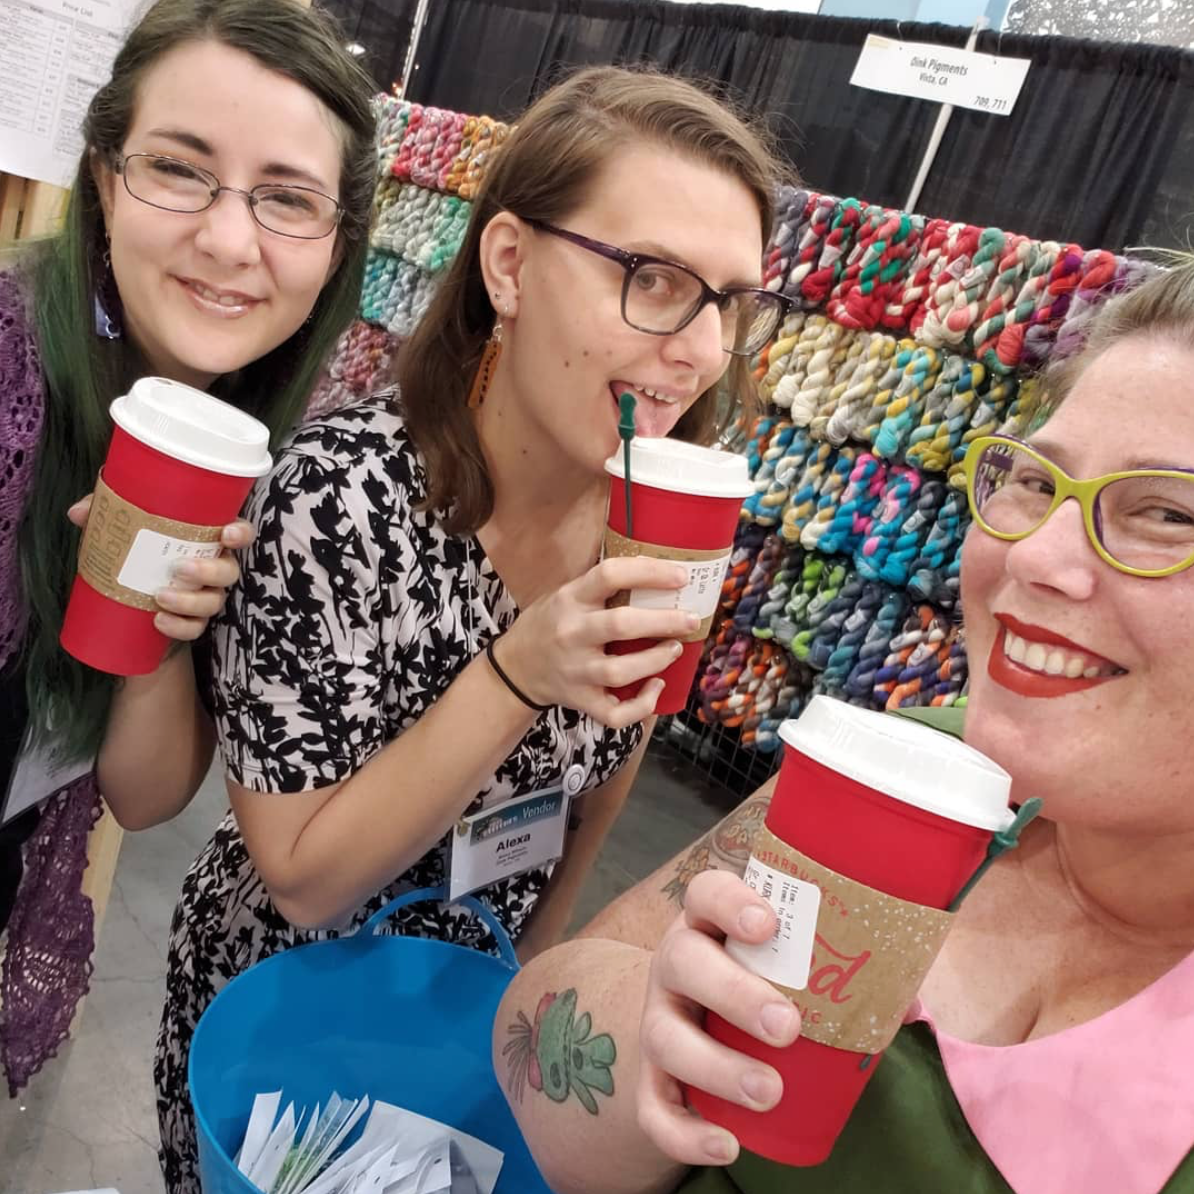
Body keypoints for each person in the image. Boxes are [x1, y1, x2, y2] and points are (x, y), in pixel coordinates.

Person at [154, 64, 793, 1193]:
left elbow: (609, 768)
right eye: (652, 278)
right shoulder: (341, 501)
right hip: (288, 1028)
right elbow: (301, 879)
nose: (700, 348)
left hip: (469, 1022)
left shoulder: (650, 518)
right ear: (510, 264)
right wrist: (517, 671)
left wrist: (533, 981)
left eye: (730, 301)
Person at [493, 260, 1194, 1194]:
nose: (1035, 555)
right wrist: (650, 1034)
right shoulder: (912, 767)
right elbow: (535, 1043)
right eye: (1036, 482)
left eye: (1168, 514)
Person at [0, 0, 374, 1097]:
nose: (228, 239)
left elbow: (142, 794)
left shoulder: (260, 460)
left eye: (288, 197)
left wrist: (163, 633)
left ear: (338, 243)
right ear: (105, 179)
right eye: (177, 169)